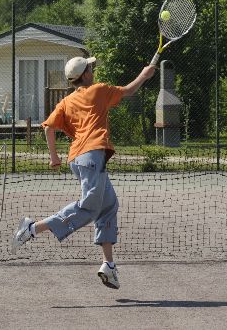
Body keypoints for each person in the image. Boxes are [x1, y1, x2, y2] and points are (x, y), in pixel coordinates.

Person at [10, 56, 156, 289]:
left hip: (79, 159)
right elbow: (129, 90)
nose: (93, 70)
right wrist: (145, 75)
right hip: (91, 157)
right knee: (89, 208)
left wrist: (54, 157)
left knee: (108, 206)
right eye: (91, 67)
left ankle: (108, 265)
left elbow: (48, 128)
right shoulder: (98, 90)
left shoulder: (67, 101)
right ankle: (33, 228)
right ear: (86, 75)